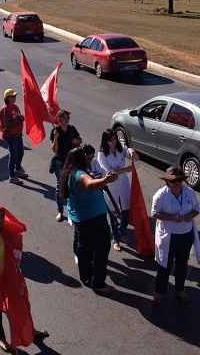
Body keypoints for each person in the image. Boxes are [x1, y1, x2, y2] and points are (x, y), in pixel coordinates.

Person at [0, 205, 50, 354]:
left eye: (2, 216)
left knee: (23, 303)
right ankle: (2, 339)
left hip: (11, 276)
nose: (0, 220)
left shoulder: (6, 232)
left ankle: (31, 331)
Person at [60, 147, 117, 293]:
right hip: (93, 220)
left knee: (84, 248)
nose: (88, 158)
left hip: (81, 218)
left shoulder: (68, 172)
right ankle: (99, 283)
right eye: (85, 156)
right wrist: (106, 180)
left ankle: (86, 276)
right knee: (101, 249)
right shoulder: (79, 173)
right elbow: (89, 184)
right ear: (80, 159)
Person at [152, 166, 200, 305]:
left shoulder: (189, 192)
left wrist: (188, 216)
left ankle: (179, 290)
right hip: (168, 236)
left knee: (181, 264)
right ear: (167, 182)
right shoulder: (160, 195)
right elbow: (155, 213)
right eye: (174, 181)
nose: (177, 183)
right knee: (164, 265)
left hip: (186, 235)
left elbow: (196, 209)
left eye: (180, 180)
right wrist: (172, 217)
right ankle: (159, 293)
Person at [97, 129, 138, 251]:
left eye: (114, 139)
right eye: (110, 140)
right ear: (105, 141)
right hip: (111, 185)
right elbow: (111, 173)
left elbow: (134, 157)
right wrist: (126, 170)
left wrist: (132, 151)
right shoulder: (102, 154)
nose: (113, 142)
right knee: (113, 213)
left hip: (123, 183)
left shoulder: (121, 148)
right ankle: (115, 239)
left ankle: (122, 231)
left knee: (126, 209)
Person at [50, 110, 81, 222]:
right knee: (60, 187)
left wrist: (76, 140)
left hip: (72, 161)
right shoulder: (55, 131)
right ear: (59, 119)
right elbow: (54, 150)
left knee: (72, 186)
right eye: (63, 118)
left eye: (67, 118)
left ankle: (72, 210)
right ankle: (60, 211)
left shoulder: (72, 129)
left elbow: (79, 141)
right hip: (60, 163)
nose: (66, 120)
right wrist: (56, 138)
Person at [0, 88, 28, 184]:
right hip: (10, 136)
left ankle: (18, 168)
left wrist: (20, 118)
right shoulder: (4, 110)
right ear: (7, 98)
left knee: (21, 152)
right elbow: (6, 125)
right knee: (13, 155)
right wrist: (19, 120)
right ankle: (12, 176)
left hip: (18, 134)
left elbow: (18, 116)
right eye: (13, 96)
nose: (15, 98)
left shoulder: (15, 107)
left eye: (15, 96)